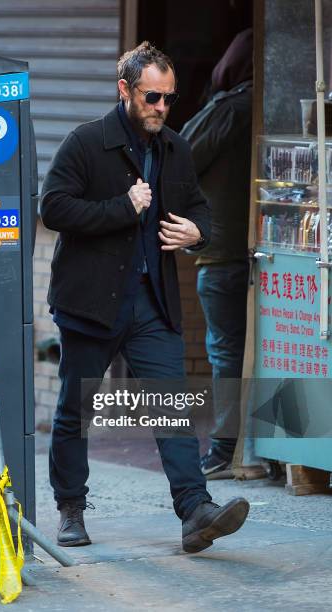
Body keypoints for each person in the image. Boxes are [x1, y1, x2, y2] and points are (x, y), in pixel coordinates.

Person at [40, 41, 249, 553]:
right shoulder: (86, 143)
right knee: (75, 410)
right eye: (152, 97)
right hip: (90, 301)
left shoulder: (176, 147)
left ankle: (195, 511)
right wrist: (122, 207)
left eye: (169, 99)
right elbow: (53, 208)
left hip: (151, 302)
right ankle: (70, 508)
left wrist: (195, 233)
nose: (161, 108)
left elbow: (200, 209)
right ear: (125, 90)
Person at [180, 29, 253, 477]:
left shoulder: (231, 108)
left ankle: (225, 448)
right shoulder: (271, 106)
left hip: (224, 250)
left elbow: (178, 154)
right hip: (265, 252)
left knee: (225, 351)